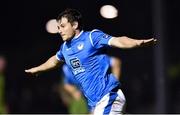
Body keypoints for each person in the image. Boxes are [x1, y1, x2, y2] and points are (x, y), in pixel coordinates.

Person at [25, 8, 157, 114]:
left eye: (63, 26)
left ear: (75, 24)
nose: (59, 30)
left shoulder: (91, 37)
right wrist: (38, 69)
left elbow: (118, 40)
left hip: (108, 96)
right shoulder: (65, 48)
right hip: (96, 103)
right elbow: (54, 60)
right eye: (58, 27)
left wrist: (137, 43)